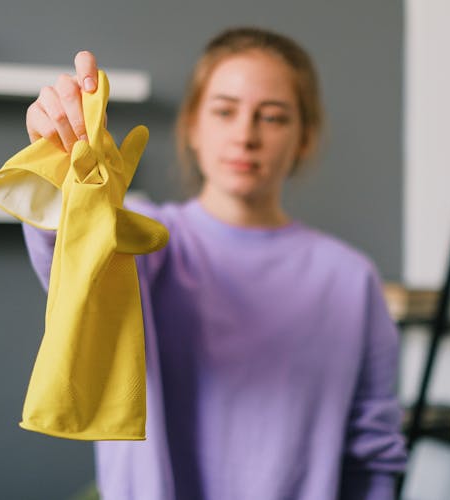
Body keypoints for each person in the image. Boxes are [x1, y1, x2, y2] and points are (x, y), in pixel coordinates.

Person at [22, 27, 406, 500]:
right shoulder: (146, 245)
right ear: (192, 128)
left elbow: (372, 454)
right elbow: (75, 262)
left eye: (273, 117)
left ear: (303, 138)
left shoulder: (351, 280)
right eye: (225, 111)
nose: (245, 136)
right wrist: (63, 170)